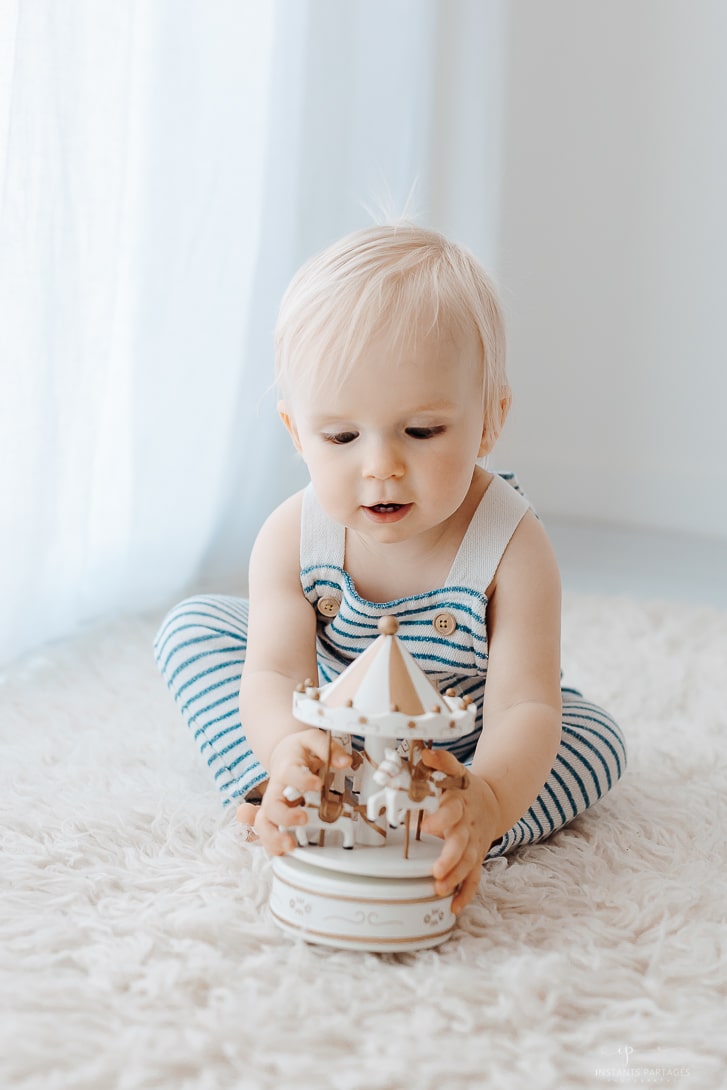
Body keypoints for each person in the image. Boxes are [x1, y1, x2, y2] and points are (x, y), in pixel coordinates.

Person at [154, 224, 626, 914]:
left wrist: (491, 792)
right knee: (194, 625)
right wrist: (289, 745)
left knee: (588, 736)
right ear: (296, 433)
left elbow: (523, 703)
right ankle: (285, 789)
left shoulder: (511, 546)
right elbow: (275, 674)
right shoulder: (293, 533)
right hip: (330, 732)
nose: (380, 465)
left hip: (458, 741)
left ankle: (458, 823)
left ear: (489, 421)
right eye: (341, 437)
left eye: (422, 431)